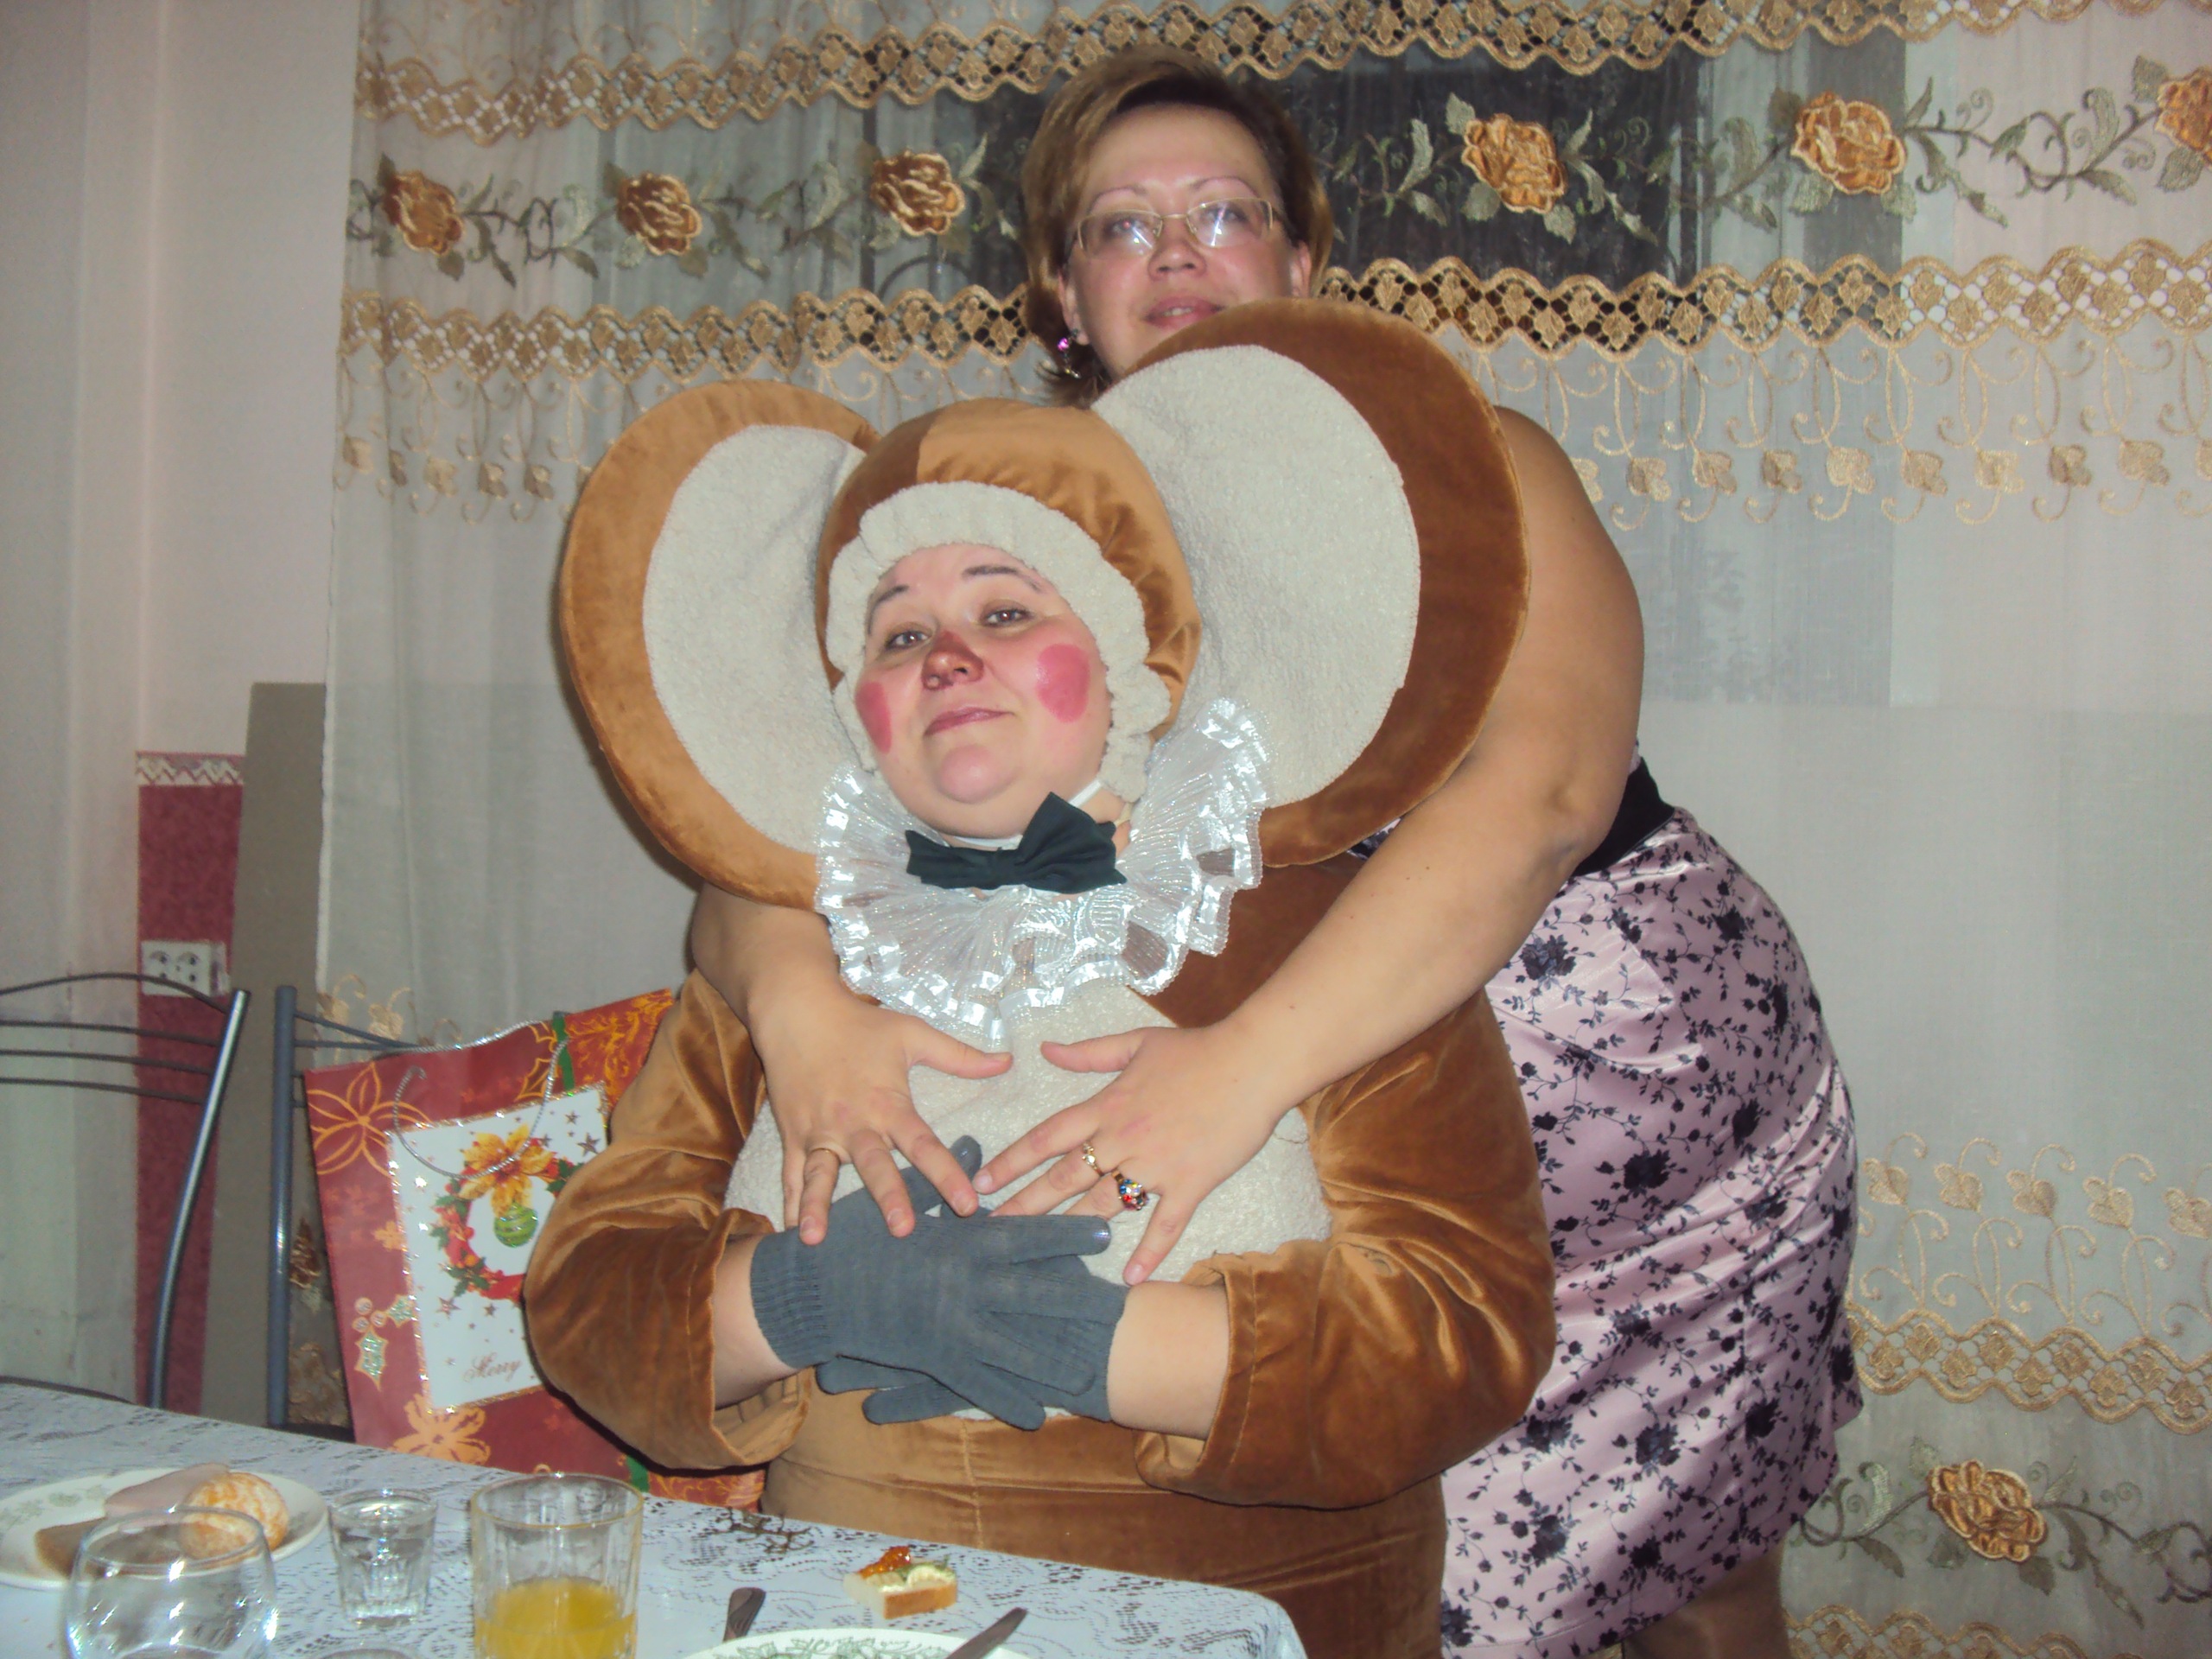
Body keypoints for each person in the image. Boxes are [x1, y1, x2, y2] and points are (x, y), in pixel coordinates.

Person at [684, 46, 1859, 1659]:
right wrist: (798, 1008)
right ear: (1063, 290)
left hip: (1616, 1090)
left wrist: (1242, 1072)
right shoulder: (1009, 519)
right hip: (1291, 1152)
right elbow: (763, 819)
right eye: (1122, 224)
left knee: (1692, 1565)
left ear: (1305, 260)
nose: (1176, 253)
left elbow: (1542, 798)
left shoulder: (1466, 459)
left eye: (1223, 212)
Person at [529, 322, 1558, 1658]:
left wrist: (1089, 1342)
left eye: (1005, 612)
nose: (945, 659)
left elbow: (1467, 1332)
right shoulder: (788, 962)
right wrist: (806, 1301)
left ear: (1137, 658)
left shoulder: (1322, 943)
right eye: (898, 635)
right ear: (853, 711)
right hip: (844, 1626)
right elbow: (592, 1301)